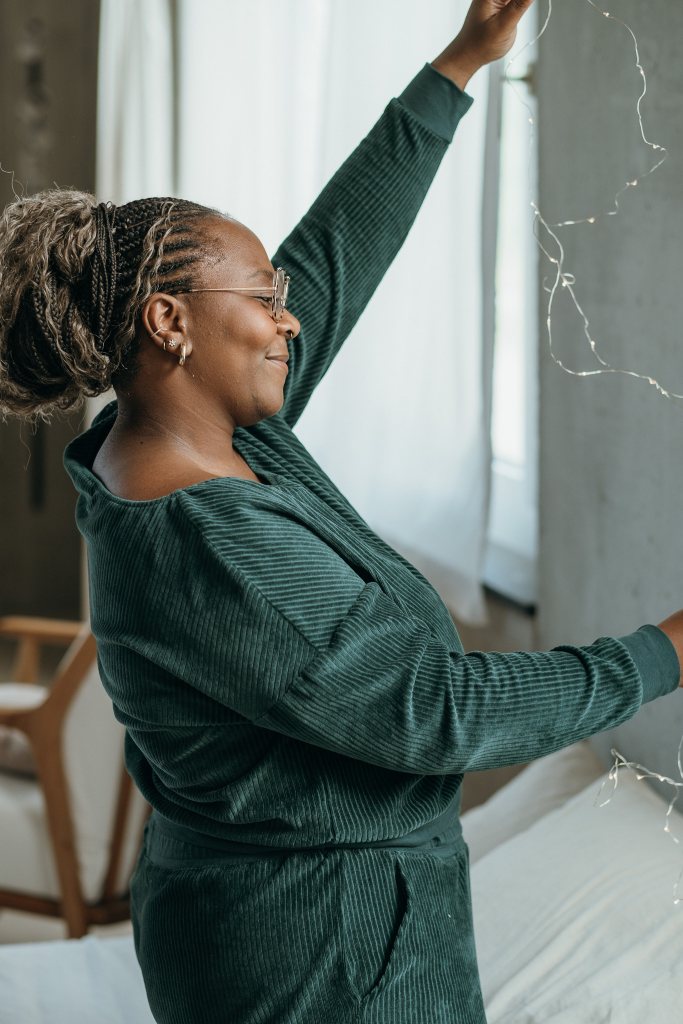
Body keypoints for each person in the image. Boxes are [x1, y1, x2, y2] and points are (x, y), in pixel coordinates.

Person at [1, 0, 681, 1020]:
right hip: (323, 962)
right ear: (168, 322)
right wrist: (661, 650)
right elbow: (436, 708)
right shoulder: (209, 541)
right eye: (260, 298)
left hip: (251, 921)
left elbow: (328, 262)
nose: (285, 319)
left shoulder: (180, 433)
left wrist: (454, 68)